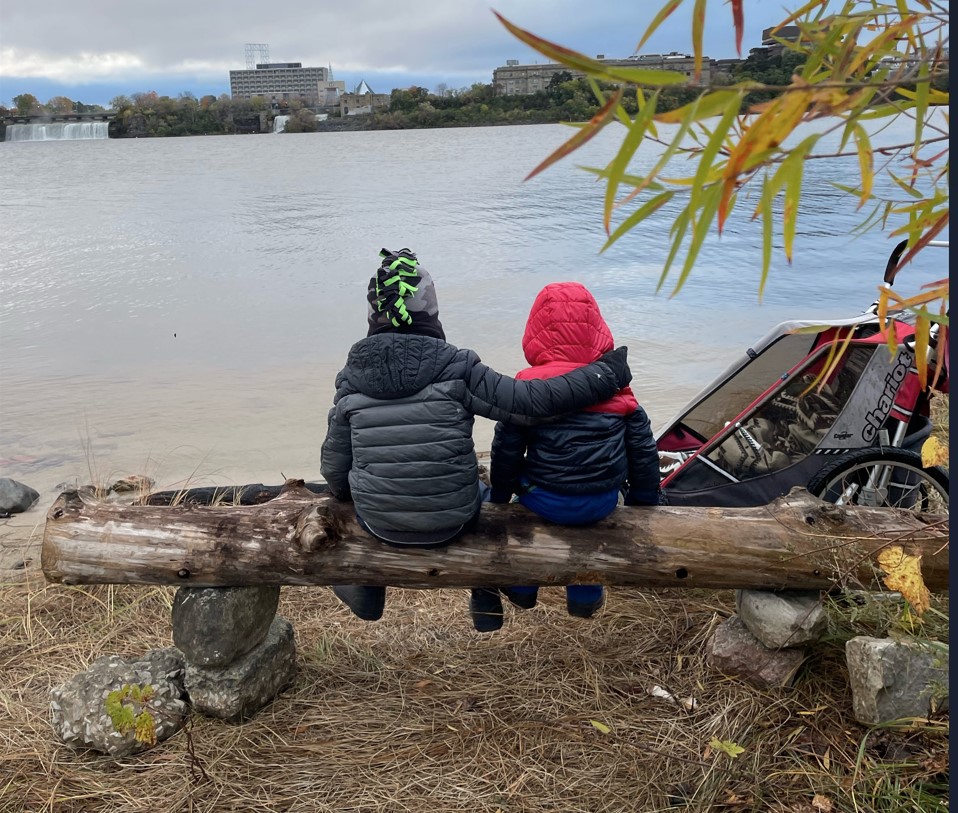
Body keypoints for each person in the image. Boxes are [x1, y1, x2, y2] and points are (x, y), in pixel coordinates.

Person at [320, 248, 634, 633]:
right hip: (454, 518)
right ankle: (485, 591)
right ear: (431, 313)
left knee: (353, 488)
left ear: (372, 315)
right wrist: (605, 375)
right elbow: (533, 403)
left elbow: (334, 467)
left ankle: (366, 589)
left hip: (378, 522)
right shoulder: (456, 366)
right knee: (484, 490)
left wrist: (349, 492)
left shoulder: (351, 377)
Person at [489, 282, 660, 618]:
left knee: (530, 500)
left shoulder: (527, 387)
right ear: (597, 328)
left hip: (544, 499)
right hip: (602, 500)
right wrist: (645, 503)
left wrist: (500, 497)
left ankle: (523, 589)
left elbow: (506, 449)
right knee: (589, 539)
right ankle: (585, 599)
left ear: (535, 331)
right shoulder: (617, 387)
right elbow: (643, 451)